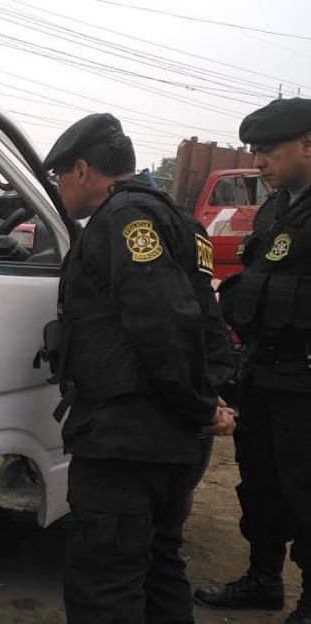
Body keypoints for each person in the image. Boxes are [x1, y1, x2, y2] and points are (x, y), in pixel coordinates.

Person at [42, 113, 236, 622]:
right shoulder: (179, 221)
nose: (60, 188)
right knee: (159, 568)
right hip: (168, 442)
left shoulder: (125, 221)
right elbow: (209, 325)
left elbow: (164, 322)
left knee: (105, 585)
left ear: (82, 169)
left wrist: (197, 405)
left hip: (126, 442)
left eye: (60, 176)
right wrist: (208, 397)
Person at [194, 98, 311, 624]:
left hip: (305, 381)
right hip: (263, 373)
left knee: (306, 490)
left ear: (309, 145)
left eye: (268, 151)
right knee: (259, 483)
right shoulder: (277, 208)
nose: (259, 163)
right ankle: (263, 580)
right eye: (255, 152)